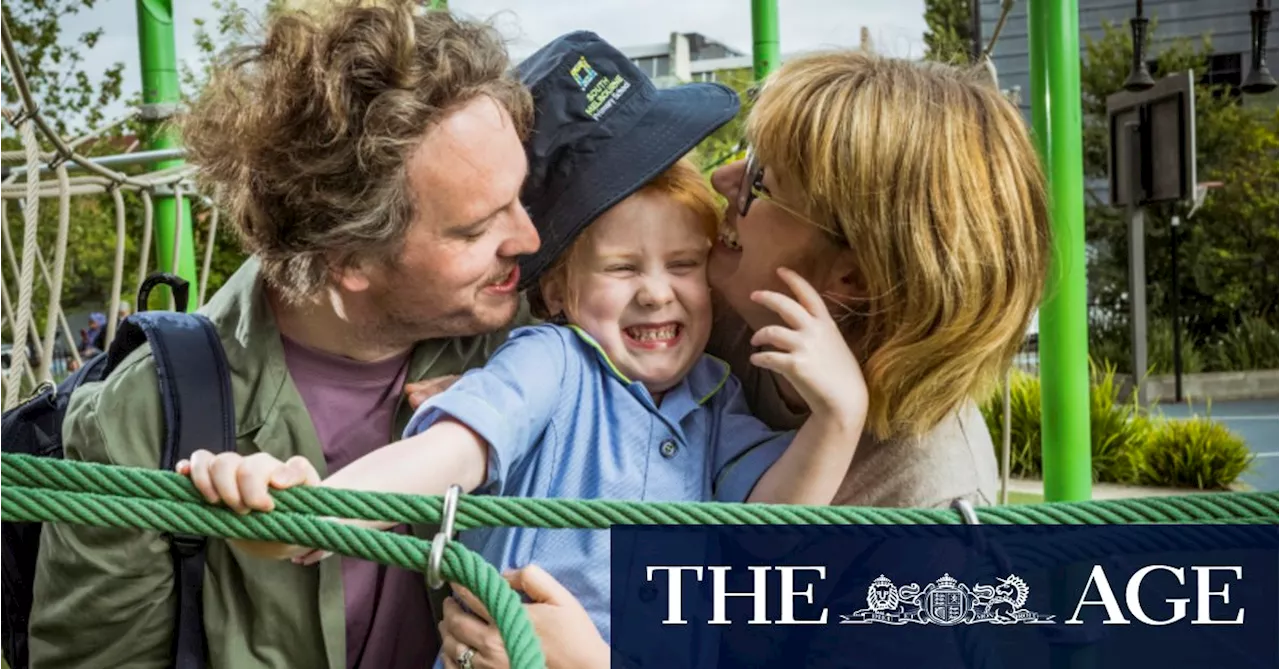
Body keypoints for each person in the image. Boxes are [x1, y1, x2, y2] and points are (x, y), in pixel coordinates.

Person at [175, 31, 869, 669]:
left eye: (684, 264)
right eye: (624, 269)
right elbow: (439, 459)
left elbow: (769, 531)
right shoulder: (551, 366)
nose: (657, 294)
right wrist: (305, 517)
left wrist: (839, 418)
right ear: (560, 291)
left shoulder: (711, 397)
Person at [437, 48, 1051, 669]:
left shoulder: (927, 512)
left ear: (854, 274)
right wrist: (502, 398)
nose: (724, 178)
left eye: (762, 182)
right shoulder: (716, 310)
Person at [27, 3, 540, 668]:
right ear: (349, 259)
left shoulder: (529, 349)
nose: (527, 239)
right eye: (475, 230)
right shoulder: (146, 420)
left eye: (519, 197)